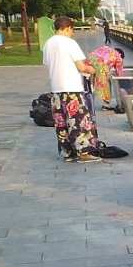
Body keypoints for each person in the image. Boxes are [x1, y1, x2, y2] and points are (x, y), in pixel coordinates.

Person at [43, 16, 102, 163]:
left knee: (61, 122)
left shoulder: (48, 44)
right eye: (72, 30)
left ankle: (68, 152)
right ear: (68, 28)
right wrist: (94, 69)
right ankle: (83, 153)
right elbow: (81, 67)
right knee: (78, 120)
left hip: (56, 89)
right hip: (72, 88)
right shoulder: (70, 43)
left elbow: (48, 63)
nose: (72, 33)